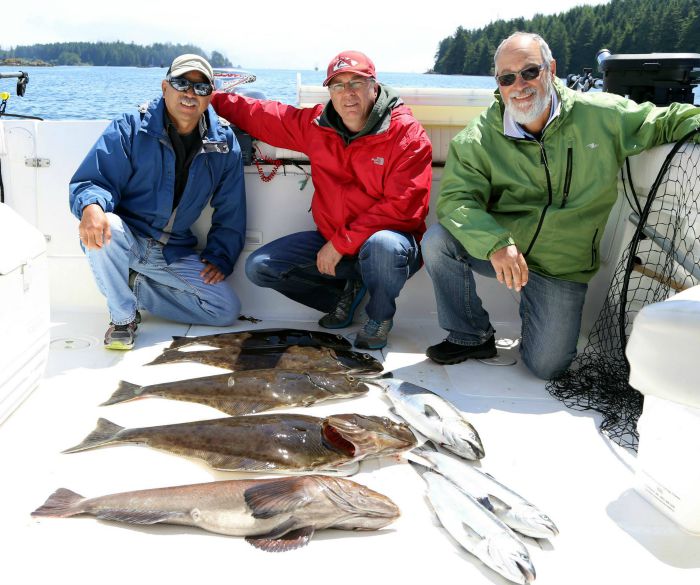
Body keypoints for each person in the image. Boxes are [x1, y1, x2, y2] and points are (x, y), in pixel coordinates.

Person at [423, 32, 700, 379]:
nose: (519, 85)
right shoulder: (478, 137)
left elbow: (668, 121)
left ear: (551, 69)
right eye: (507, 78)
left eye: (529, 72)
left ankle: (539, 312)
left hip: (561, 264)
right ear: (499, 84)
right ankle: (470, 334)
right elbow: (457, 200)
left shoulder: (602, 114)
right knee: (437, 242)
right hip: (505, 249)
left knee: (547, 367)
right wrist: (496, 244)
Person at [211, 50, 432, 350]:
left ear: (374, 86)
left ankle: (379, 317)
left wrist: (341, 244)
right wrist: (211, 99)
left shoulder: (406, 135)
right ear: (329, 92)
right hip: (332, 239)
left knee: (383, 246)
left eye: (356, 82)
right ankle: (344, 294)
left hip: (389, 247)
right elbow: (267, 117)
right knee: (260, 267)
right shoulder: (318, 125)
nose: (348, 94)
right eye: (338, 86)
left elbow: (404, 208)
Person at [70, 54, 246, 350]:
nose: (190, 93)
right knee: (105, 223)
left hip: (173, 250)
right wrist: (91, 207)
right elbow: (93, 181)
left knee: (224, 309)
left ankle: (131, 285)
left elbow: (232, 208)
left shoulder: (224, 142)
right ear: (165, 87)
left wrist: (221, 256)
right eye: (181, 84)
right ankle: (123, 318)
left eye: (201, 88)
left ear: (210, 97)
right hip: (127, 239)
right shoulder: (129, 127)